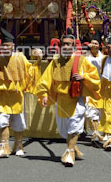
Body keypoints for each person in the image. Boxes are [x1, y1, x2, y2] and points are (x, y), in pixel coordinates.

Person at [34, 31, 100, 166]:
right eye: (64, 44)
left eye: (69, 44)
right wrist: (44, 94)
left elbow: (95, 78)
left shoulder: (81, 60)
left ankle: (69, 153)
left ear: (73, 46)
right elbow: (45, 80)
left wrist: (84, 78)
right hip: (61, 100)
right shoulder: (55, 62)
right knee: (65, 130)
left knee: (75, 126)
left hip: (76, 99)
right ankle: (72, 147)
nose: (66, 47)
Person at [0, 28, 42, 158]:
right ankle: (3, 147)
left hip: (17, 96)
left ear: (13, 46)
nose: (6, 48)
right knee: (2, 122)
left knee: (18, 122)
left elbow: (30, 71)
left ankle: (18, 146)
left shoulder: (20, 57)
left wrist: (38, 60)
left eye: (8, 46)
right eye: (3, 46)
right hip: (3, 97)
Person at [85, 32, 104, 143]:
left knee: (99, 111)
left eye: (96, 43)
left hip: (100, 87)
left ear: (100, 45)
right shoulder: (85, 57)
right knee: (90, 111)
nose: (94, 45)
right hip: (88, 87)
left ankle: (97, 131)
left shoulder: (104, 58)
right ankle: (95, 133)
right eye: (92, 43)